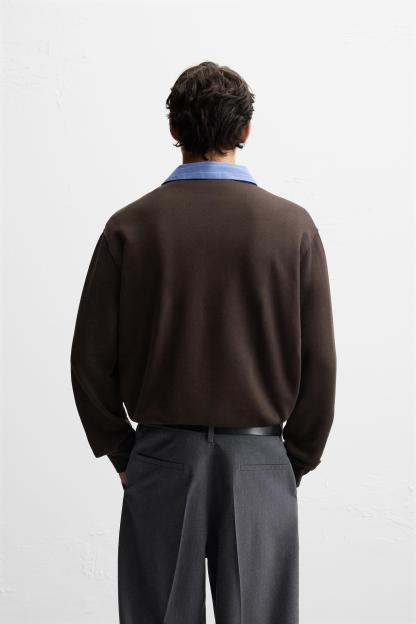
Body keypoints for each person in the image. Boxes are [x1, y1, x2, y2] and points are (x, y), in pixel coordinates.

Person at [70, 60, 337, 624]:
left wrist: (124, 451)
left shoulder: (130, 227)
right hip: (261, 458)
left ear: (174, 129)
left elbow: (89, 361)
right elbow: (320, 363)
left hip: (162, 457)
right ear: (246, 130)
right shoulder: (292, 228)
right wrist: (293, 460)